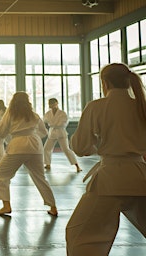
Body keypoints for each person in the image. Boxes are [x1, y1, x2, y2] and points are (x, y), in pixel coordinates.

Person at [66, 63, 146, 255]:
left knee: (82, 237)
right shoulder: (142, 106)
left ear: (105, 82)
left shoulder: (97, 107)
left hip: (110, 180)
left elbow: (81, 147)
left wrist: (98, 145)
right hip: (140, 176)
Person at [0, 92, 58, 216]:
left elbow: (1, 132)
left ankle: (6, 206)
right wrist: (31, 135)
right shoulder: (34, 115)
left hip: (17, 146)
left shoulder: (10, 114)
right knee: (40, 177)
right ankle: (53, 207)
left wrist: (15, 134)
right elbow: (44, 133)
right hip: (35, 146)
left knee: (0, 174)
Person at [43, 98, 82, 172]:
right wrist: (50, 124)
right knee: (46, 148)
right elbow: (44, 121)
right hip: (52, 133)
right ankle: (47, 164)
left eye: (53, 104)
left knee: (66, 149)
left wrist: (52, 124)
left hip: (61, 133)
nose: (51, 105)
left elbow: (63, 124)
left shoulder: (62, 113)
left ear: (57, 103)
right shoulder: (48, 113)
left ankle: (77, 165)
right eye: (50, 104)